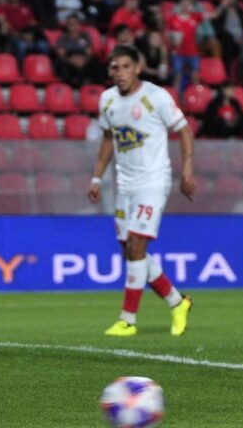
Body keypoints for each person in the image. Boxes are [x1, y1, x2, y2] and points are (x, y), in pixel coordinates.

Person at [88, 44, 197, 338]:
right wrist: (97, 178)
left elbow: (184, 130)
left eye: (125, 66)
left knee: (137, 245)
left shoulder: (156, 97)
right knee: (129, 251)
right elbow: (108, 140)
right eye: (114, 67)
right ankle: (177, 301)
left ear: (138, 67)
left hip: (153, 181)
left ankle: (128, 319)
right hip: (126, 184)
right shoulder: (107, 100)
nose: (119, 73)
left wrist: (186, 171)